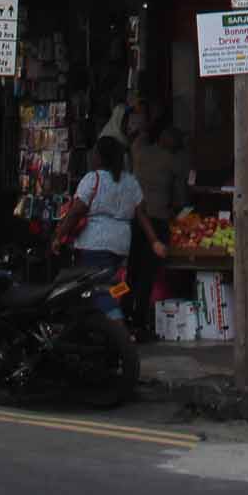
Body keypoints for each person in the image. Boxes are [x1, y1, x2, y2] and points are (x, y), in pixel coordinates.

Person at [62, 135, 168, 319]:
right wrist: (154, 241)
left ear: (99, 157)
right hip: (121, 245)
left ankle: (115, 323)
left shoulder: (92, 178)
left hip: (94, 245)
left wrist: (59, 236)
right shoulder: (131, 182)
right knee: (115, 285)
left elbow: (75, 212)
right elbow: (142, 214)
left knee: (96, 289)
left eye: (95, 153)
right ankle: (110, 322)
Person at [130, 119, 187, 339]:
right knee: (147, 275)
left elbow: (138, 135)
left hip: (135, 220)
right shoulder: (172, 161)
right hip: (157, 221)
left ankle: (125, 316)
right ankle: (140, 322)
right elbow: (181, 197)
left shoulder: (139, 152)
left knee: (133, 272)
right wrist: (178, 210)